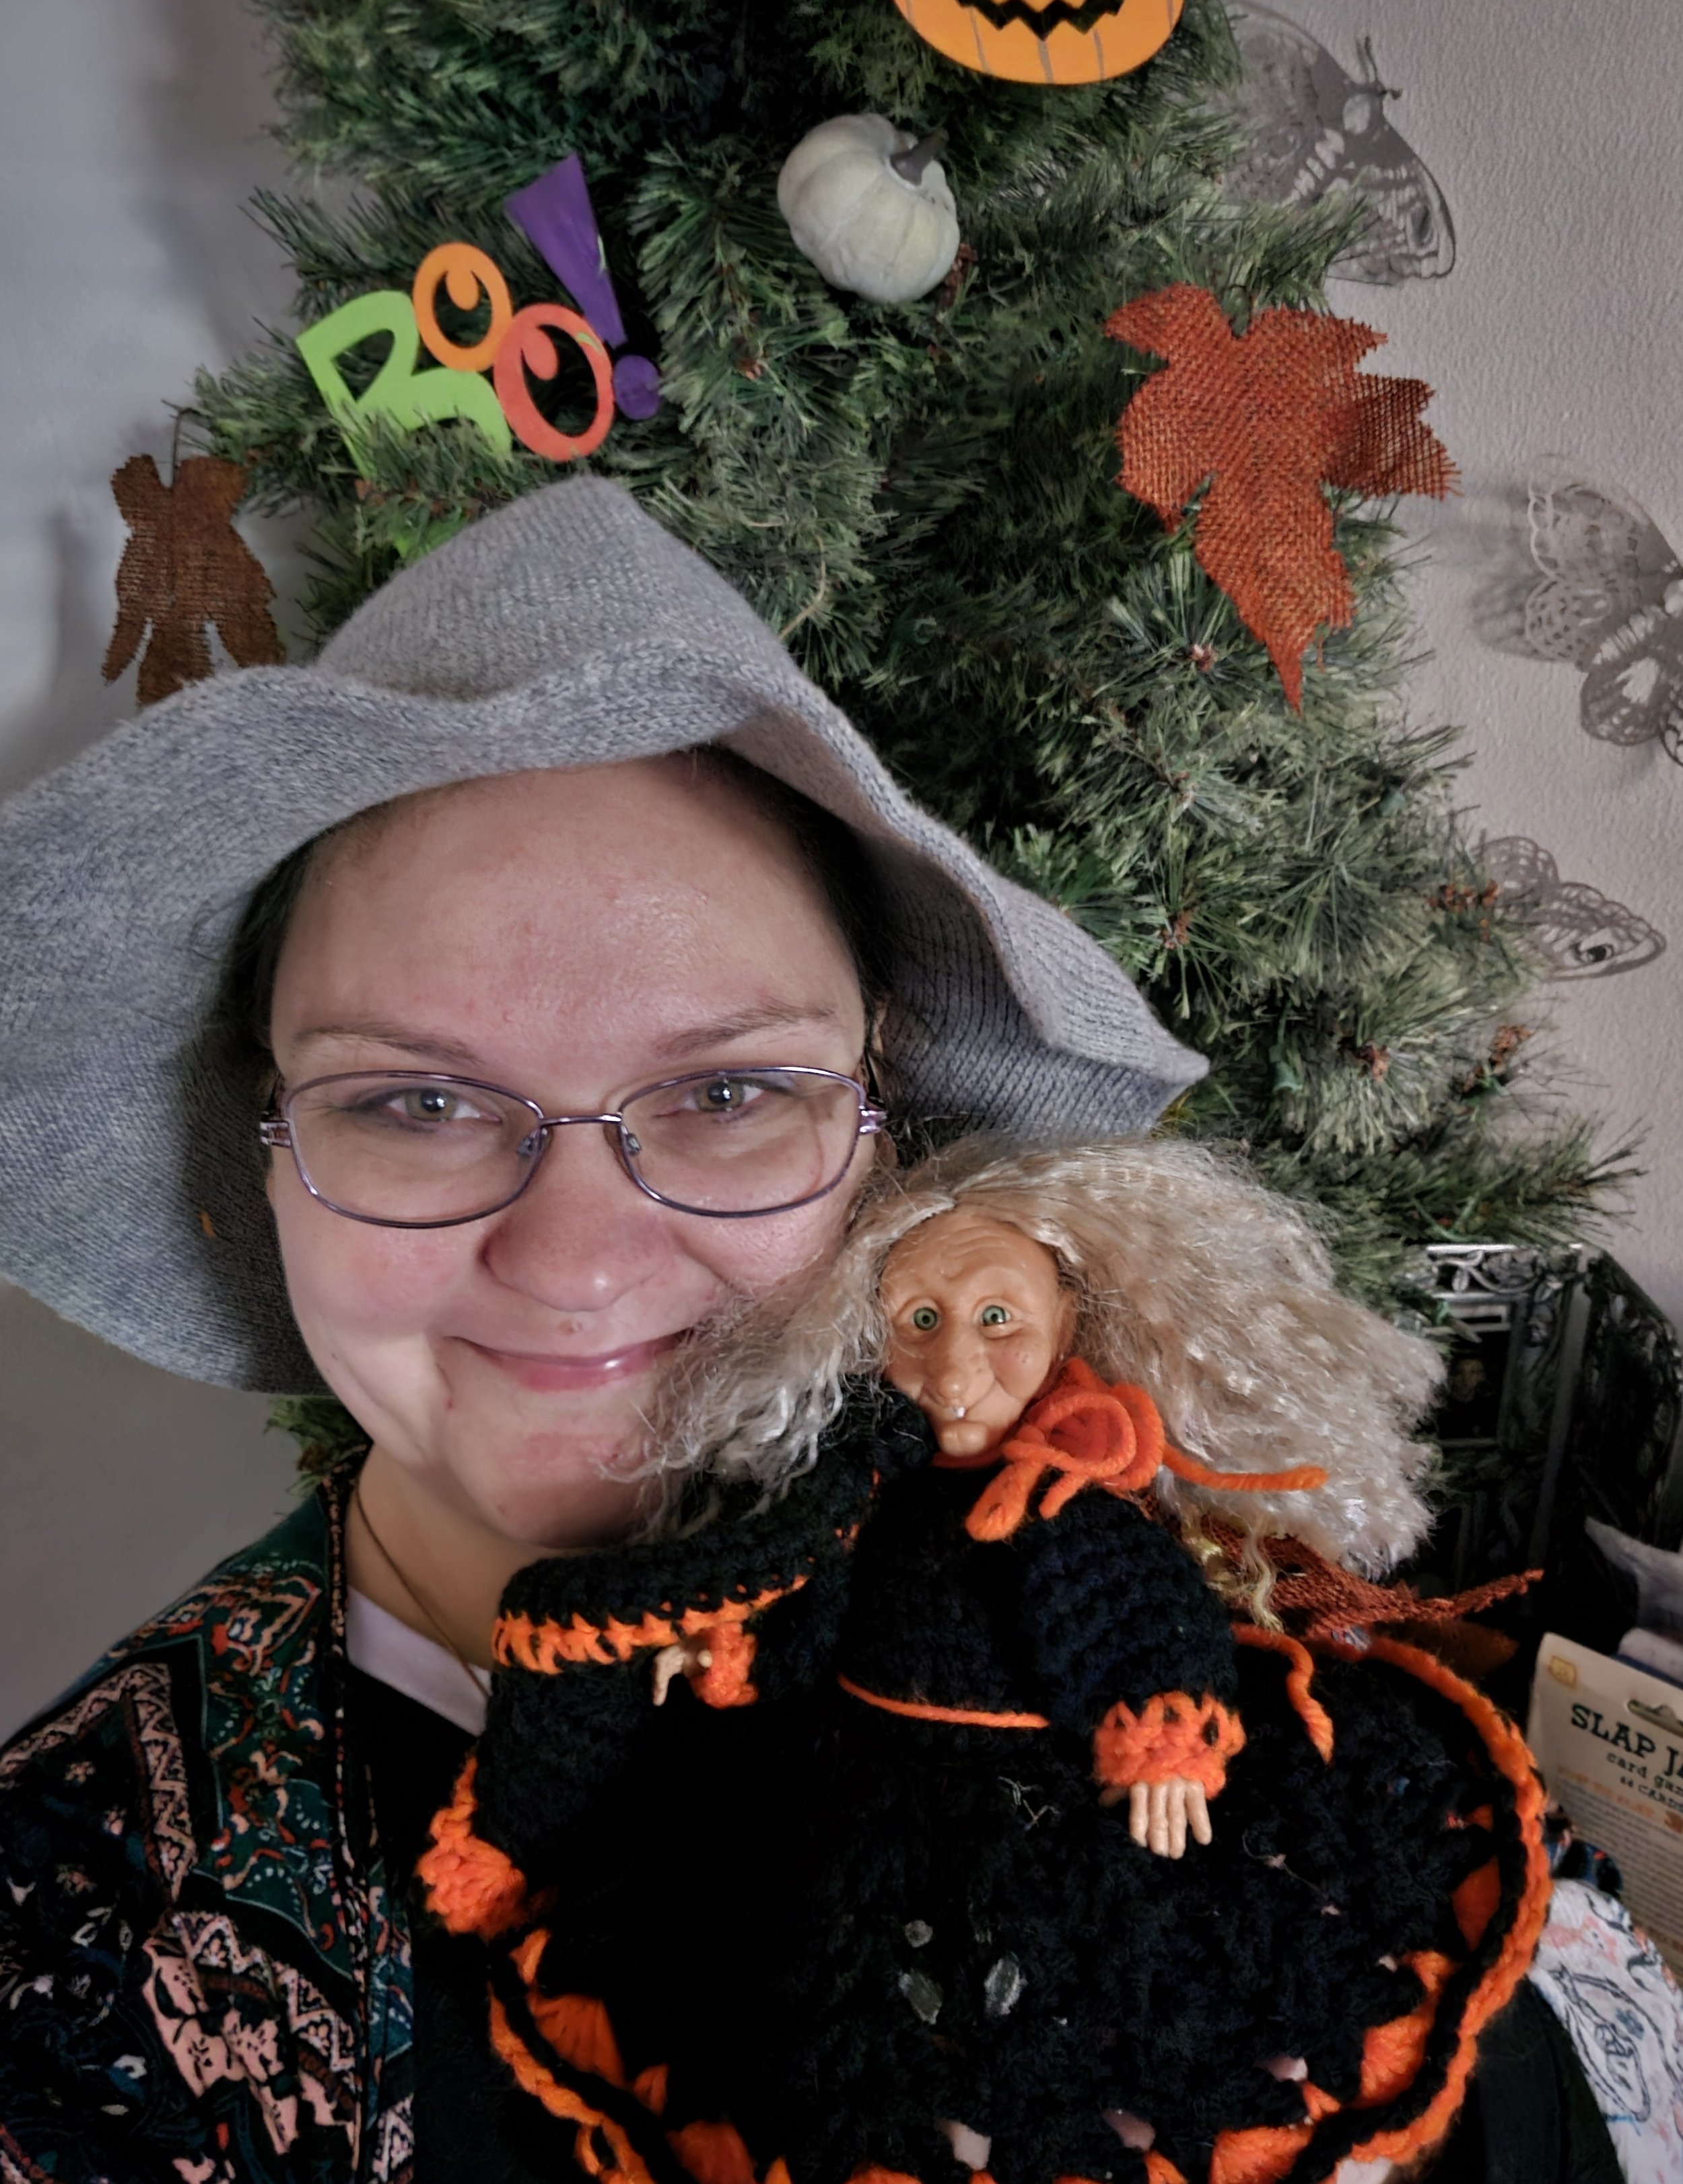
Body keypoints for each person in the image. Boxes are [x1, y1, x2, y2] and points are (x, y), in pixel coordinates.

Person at [0, 477, 1648, 2183]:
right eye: (414, 1098)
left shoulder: (1162, 1660)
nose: (573, 1263)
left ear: (895, 1141)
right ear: (259, 1159)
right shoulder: (70, 1935)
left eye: (727, 1089)